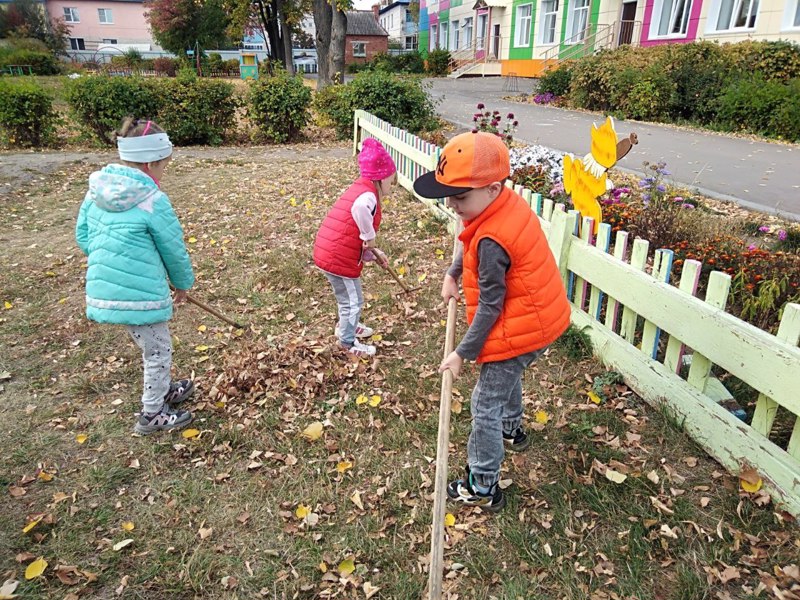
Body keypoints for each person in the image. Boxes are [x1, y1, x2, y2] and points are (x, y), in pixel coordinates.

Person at [413, 132, 571, 512]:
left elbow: (490, 307)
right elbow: (469, 242)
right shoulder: (502, 205)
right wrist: (453, 273)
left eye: (460, 196)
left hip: (522, 325)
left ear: (493, 188)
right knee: (505, 379)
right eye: (449, 194)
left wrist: (461, 353)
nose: (452, 205)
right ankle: (511, 429)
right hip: (541, 317)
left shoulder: (493, 239)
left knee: (484, 401)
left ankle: (483, 484)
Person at [75, 117, 196, 435]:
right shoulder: (152, 200)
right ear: (153, 161)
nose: (163, 172)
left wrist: (113, 262)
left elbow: (84, 237)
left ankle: (165, 388)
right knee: (158, 350)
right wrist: (182, 284)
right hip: (140, 294)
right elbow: (173, 249)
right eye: (164, 166)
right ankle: (153, 413)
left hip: (107, 289)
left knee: (151, 345)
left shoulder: (96, 192)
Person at [313, 138, 397, 358]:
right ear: (380, 177)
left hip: (329, 251)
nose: (393, 184)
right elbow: (359, 211)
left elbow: (349, 234)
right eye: (391, 179)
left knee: (346, 298)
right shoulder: (367, 196)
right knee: (353, 300)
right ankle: (347, 343)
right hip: (337, 258)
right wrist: (370, 237)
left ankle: (348, 325)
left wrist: (371, 254)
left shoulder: (362, 189)